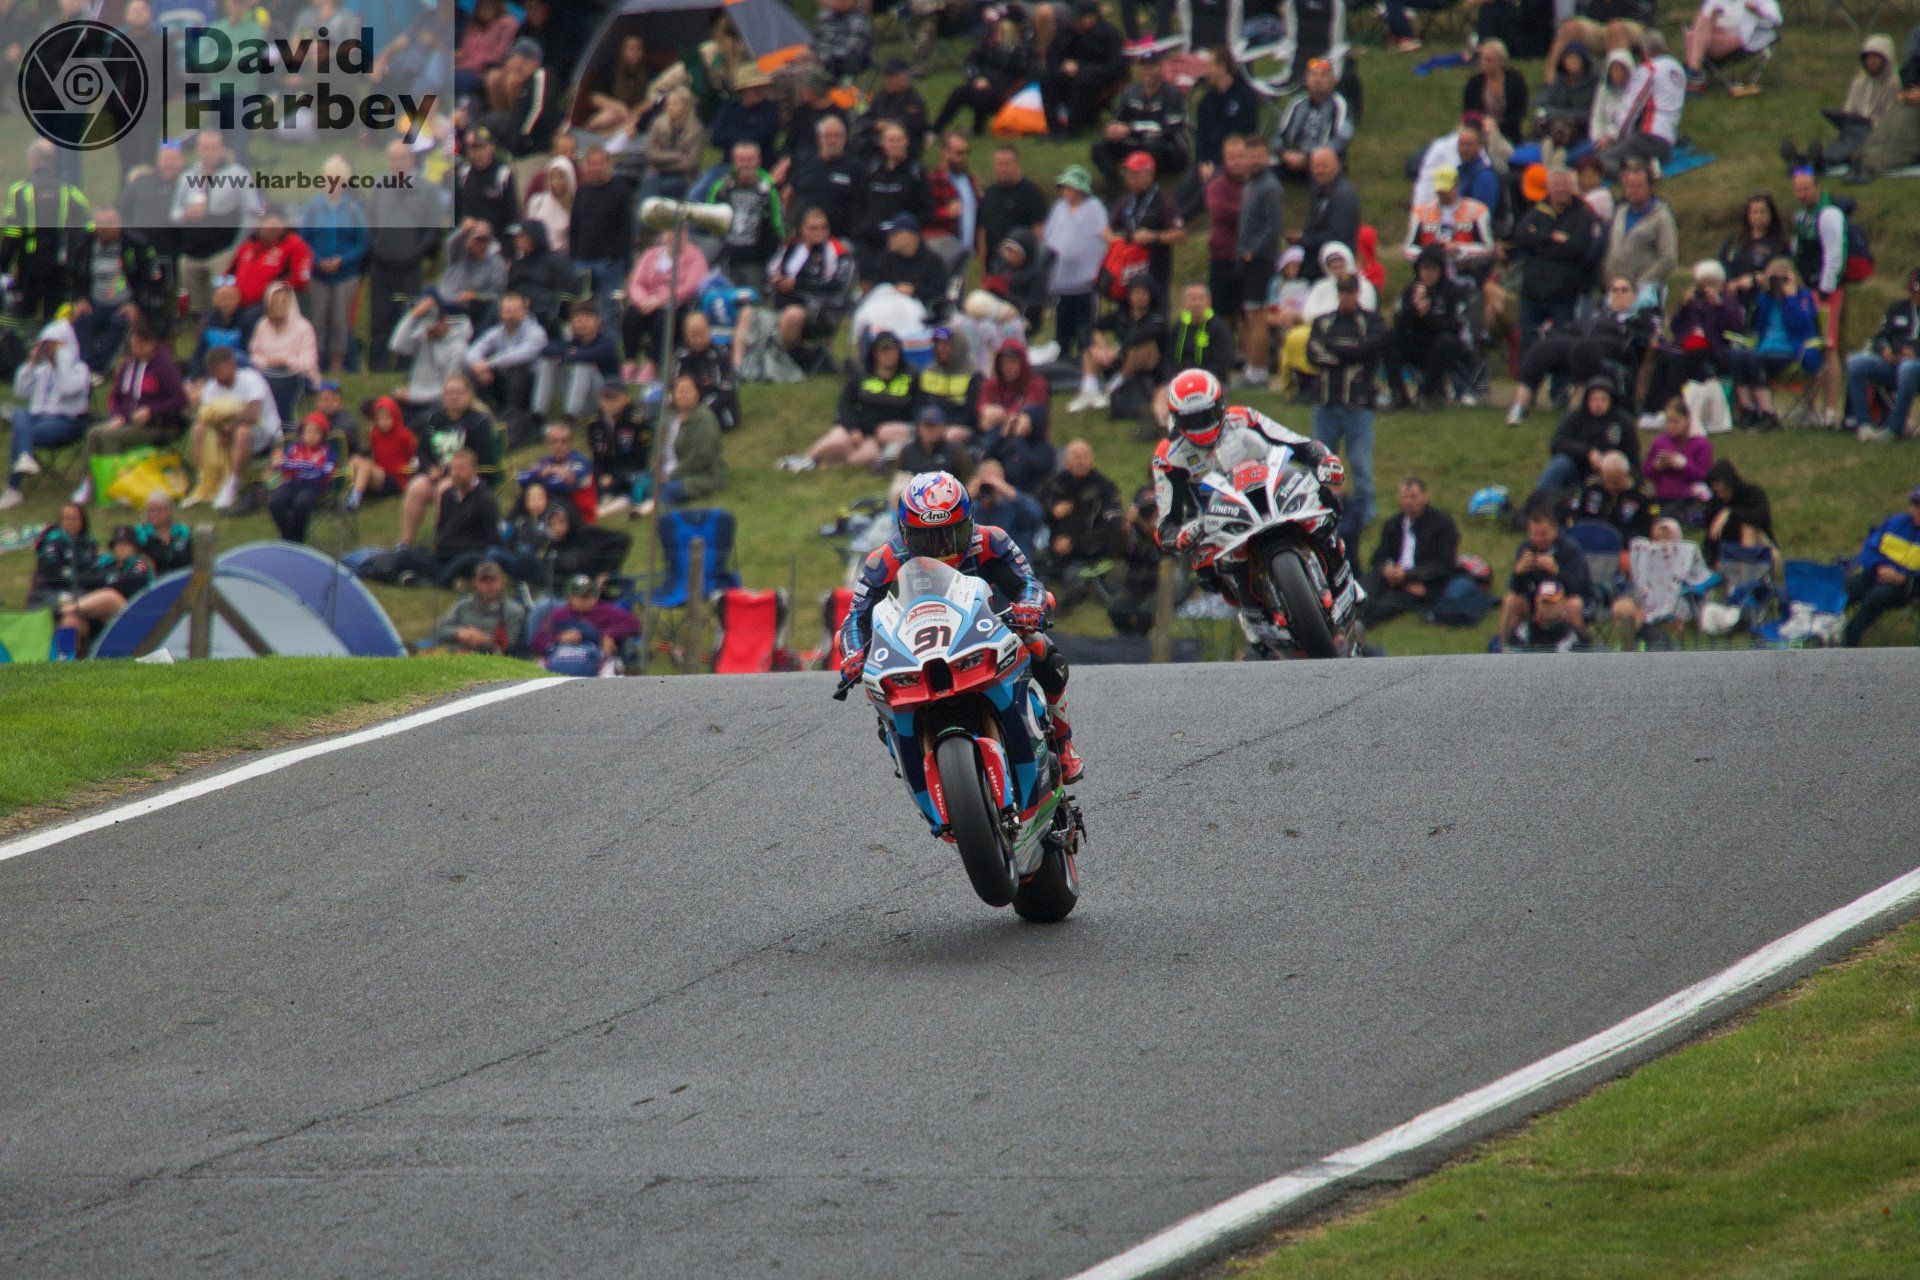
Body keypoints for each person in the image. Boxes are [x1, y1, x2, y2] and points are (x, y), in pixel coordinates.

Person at [840, 470, 1084, 783]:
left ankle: (1063, 744)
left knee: (1044, 652)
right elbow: (854, 619)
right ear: (904, 530)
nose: (940, 549)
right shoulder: (883, 560)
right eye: (926, 538)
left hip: (985, 631)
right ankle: (917, 769)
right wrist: (852, 655)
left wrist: (1029, 608)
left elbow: (1028, 584)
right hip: (913, 648)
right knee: (882, 698)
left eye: (949, 535)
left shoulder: (990, 540)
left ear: (968, 523)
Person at [1152, 367, 1351, 654]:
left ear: (1220, 405)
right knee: (1206, 566)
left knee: (1322, 498)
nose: (1201, 426)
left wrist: (1325, 461)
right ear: (1177, 419)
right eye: (1191, 420)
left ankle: (1341, 575)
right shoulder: (1167, 457)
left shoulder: (1243, 417)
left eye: (1206, 416)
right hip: (1220, 521)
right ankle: (1256, 620)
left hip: (1272, 491)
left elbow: (1299, 443)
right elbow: (1165, 525)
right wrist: (1180, 536)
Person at [1507, 278, 1652, 423]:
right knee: (1543, 348)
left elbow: (1639, 343)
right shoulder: (1596, 315)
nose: (1618, 293)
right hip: (1579, 345)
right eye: (1614, 290)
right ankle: (1520, 406)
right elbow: (1571, 330)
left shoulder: (1637, 319)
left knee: (1584, 349)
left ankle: (1575, 412)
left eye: (1624, 290)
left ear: (1634, 296)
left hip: (1612, 351)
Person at [72, 323, 187, 505]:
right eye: (132, 345)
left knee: (110, 436)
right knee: (94, 433)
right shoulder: (128, 365)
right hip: (128, 420)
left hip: (159, 424)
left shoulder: (164, 366)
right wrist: (117, 415)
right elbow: (116, 397)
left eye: (139, 345)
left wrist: (152, 410)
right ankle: (89, 481)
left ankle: (117, 487)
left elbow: (180, 399)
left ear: (151, 344)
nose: (135, 350)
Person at [1307, 277, 1384, 525]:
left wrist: (1335, 351)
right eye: (1342, 291)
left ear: (1358, 293)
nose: (1346, 296)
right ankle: (1314, 509)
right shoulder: (1323, 321)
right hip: (1326, 402)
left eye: (1350, 292)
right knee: (1319, 462)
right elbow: (1313, 354)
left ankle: (1365, 516)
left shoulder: (1370, 321)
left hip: (1358, 404)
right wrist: (1350, 354)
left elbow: (1369, 351)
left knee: (1361, 464)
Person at [787, 331, 916, 473]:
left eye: (892, 350)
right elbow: (845, 403)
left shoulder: (910, 376)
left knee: (863, 458)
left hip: (883, 434)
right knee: (836, 441)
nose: (888, 354)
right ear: (875, 353)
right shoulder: (861, 375)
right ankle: (805, 459)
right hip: (856, 427)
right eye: (884, 350)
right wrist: (852, 428)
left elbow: (917, 406)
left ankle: (830, 466)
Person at [364, 143, 443, 374]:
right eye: (393, 158)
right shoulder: (379, 186)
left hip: (410, 266)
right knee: (380, 318)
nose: (397, 163)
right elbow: (370, 223)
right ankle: (377, 366)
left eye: (402, 158)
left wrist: (416, 252)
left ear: (411, 160)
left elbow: (432, 230)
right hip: (382, 265)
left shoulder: (428, 190)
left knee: (408, 316)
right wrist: (376, 246)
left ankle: (405, 365)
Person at [398, 374, 499, 548]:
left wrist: (447, 472)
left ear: (469, 394)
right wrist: (428, 468)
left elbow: (481, 457)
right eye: (450, 392)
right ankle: (406, 543)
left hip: (466, 476)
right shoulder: (435, 419)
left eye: (459, 392)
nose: (454, 396)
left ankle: (444, 541)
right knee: (416, 488)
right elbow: (422, 451)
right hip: (435, 472)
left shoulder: (479, 422)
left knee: (445, 490)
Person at [1780, 37, 1900, 182]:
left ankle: (1814, 161)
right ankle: (1804, 158)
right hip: (1854, 127)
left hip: (1875, 131)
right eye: (1869, 58)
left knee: (1850, 146)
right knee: (1842, 142)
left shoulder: (1893, 84)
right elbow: (1849, 108)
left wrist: (1869, 123)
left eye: (1876, 59)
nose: (1872, 62)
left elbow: (1891, 117)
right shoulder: (1859, 82)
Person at [1511, 166, 1603, 351]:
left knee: (1563, 345)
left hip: (1563, 295)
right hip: (1532, 293)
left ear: (1572, 187)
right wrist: (1553, 238)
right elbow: (1521, 237)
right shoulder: (1537, 211)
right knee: (1527, 344)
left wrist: (1539, 242)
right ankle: (1525, 380)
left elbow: (1578, 248)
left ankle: (1560, 381)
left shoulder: (1583, 216)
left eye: (1565, 185)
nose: (1560, 189)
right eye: (1556, 185)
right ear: (1548, 188)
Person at [0, 142, 92, 327]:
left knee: (22, 316)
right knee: (55, 318)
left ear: (33, 160)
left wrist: (3, 266)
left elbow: (12, 233)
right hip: (60, 264)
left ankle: (23, 351)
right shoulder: (71, 192)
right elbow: (87, 230)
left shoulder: (20, 191)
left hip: (29, 264)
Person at [2, 321, 91, 511]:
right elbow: (21, 391)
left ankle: (13, 488)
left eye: (51, 347)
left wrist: (62, 360)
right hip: (37, 419)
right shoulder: (42, 371)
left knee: (20, 431)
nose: (48, 351)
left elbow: (68, 389)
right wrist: (32, 362)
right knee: (18, 414)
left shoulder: (80, 370)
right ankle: (25, 457)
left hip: (67, 423)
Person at [69, 208, 168, 375]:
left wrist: (135, 304)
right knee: (81, 320)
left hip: (125, 303)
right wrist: (80, 299)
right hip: (95, 302)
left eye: (110, 223)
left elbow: (150, 279)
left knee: (119, 323)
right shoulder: (84, 244)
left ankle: (99, 369)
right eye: (100, 224)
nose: (105, 228)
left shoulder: (136, 244)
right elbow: (74, 277)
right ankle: (84, 367)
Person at [1725, 258, 1819, 428]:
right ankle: (1748, 410)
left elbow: (1800, 325)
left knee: (1755, 359)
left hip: (1793, 351)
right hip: (1765, 348)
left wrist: (1790, 298)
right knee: (1737, 356)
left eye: (1784, 279)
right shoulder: (1767, 299)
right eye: (1775, 279)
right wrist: (1765, 294)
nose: (1779, 284)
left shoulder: (1803, 297)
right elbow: (1755, 325)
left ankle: (1768, 413)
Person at [185, 344, 280, 512]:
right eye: (213, 372)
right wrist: (222, 431)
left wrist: (230, 428)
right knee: (199, 429)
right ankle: (204, 479)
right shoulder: (211, 388)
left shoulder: (252, 380)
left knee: (242, 431)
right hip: (225, 434)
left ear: (232, 366)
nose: (216, 377)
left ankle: (233, 484)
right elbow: (207, 416)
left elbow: (253, 414)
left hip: (263, 434)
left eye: (219, 371)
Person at [388, 448, 502, 586]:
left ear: (474, 470)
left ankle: (430, 582)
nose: (456, 473)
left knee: (464, 561)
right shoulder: (448, 495)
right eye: (453, 469)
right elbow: (441, 528)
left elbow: (492, 540)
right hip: (444, 555)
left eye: (461, 469)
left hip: (470, 556)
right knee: (408, 556)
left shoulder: (484, 499)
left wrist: (457, 545)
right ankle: (382, 573)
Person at [1645, 260, 1747, 415]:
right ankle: (1652, 409)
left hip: (1712, 349)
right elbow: (1675, 327)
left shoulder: (1728, 301)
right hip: (1686, 346)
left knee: (1678, 361)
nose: (1706, 288)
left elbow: (1735, 329)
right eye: (1703, 284)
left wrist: (1719, 306)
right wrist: (1684, 306)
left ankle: (1671, 410)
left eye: (1711, 283)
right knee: (1665, 358)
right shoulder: (1694, 301)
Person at [1790, 165, 1851, 419]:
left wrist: (1824, 290)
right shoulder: (1802, 216)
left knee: (1828, 346)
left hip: (1826, 290)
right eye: (1798, 190)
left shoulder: (1828, 214)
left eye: (1806, 189)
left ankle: (1830, 408)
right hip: (1806, 289)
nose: (1802, 194)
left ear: (1817, 187)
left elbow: (1834, 256)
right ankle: (1809, 404)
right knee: (1809, 343)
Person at [298, 158, 369, 375]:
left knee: (341, 321)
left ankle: (338, 363)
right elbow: (305, 239)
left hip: (345, 274)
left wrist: (343, 260)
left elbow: (362, 242)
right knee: (317, 319)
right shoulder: (313, 207)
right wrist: (318, 260)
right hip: (319, 274)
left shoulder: (353, 209)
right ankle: (316, 361)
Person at [1498, 500, 1595, 650]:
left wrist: (1555, 571)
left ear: (1554, 530)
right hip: (1536, 600)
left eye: (1543, 534)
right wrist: (1519, 572)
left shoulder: (1570, 550)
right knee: (1511, 600)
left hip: (1564, 599)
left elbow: (1578, 588)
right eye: (1534, 534)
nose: (1538, 539)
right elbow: (1515, 588)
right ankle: (1505, 648)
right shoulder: (1526, 549)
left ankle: (1578, 648)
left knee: (1573, 605)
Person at [1037, 439, 1124, 606]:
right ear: (1067, 461)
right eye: (1077, 457)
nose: (1081, 461)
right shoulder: (1056, 484)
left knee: (1073, 579)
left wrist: (1074, 543)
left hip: (1089, 551)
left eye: (1085, 456)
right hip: (1054, 547)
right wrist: (1052, 509)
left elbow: (1112, 526)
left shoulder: (1104, 487)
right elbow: (1036, 504)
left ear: (1092, 459)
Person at [1363, 477, 1460, 626]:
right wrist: (1386, 569)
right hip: (1393, 575)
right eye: (1404, 497)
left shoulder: (1442, 524)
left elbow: (1444, 564)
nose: (1408, 501)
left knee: (1385, 606)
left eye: (1413, 497)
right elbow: (1377, 557)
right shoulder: (1394, 524)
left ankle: (1363, 622)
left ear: (1425, 497)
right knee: (1362, 590)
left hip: (1420, 581)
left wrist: (1409, 575)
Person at [1385, 245, 1470, 410]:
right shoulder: (1410, 290)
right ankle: (1399, 394)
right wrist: (1414, 308)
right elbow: (1399, 324)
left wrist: (1428, 315)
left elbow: (1456, 327)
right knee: (1388, 338)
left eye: (1433, 269)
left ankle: (1426, 394)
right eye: (1424, 269)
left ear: (1441, 270)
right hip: (1416, 344)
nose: (1428, 274)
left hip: (1443, 347)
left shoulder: (1453, 292)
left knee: (1446, 342)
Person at [1092, 50, 1189, 193]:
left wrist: (1131, 128)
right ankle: (1116, 188)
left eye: (1152, 67)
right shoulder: (1130, 92)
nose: (1147, 71)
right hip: (1137, 143)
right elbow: (1119, 119)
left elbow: (1169, 130)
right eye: (1144, 67)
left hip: (1168, 150)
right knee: (1099, 147)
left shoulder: (1172, 94)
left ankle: (1148, 188)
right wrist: (1113, 128)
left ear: (1160, 68)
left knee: (1151, 144)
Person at [1071, 278, 1166, 418]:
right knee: (1094, 336)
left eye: (1143, 293)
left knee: (1143, 345)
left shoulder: (1157, 318)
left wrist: (1117, 350)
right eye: (1135, 293)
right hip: (1118, 359)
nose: (1139, 297)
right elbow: (1086, 329)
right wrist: (1095, 350)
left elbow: (1143, 335)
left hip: (1148, 367)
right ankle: (1089, 389)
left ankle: (1114, 386)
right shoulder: (1121, 315)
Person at [1534, 376, 1638, 500]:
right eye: (1594, 399)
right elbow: (1557, 443)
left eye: (1603, 400)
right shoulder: (1576, 417)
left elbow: (1633, 458)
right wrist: (1588, 452)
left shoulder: (1623, 422)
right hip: (1577, 472)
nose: (1598, 404)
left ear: (1611, 400)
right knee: (1561, 463)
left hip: (1610, 478)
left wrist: (1611, 462)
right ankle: (1538, 503)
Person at [1847, 267, 1920, 441]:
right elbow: (1880, 337)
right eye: (1914, 291)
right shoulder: (1898, 308)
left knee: (1908, 368)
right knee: (1856, 362)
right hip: (1892, 363)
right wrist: (1884, 350)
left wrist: (1916, 352)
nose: (1916, 296)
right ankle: (1863, 424)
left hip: (1914, 368)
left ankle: (1894, 428)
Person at [1842, 486, 1920, 647]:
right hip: (1875, 575)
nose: (1917, 510)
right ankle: (1826, 637)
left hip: (1907, 587)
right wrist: (1878, 567)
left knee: (1875, 598)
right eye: (1916, 505)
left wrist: (1904, 577)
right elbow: (1869, 549)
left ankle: (1848, 643)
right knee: (1842, 590)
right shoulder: (1895, 523)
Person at [1599, 31, 1687, 174]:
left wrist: (1617, 138)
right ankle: (1648, 164)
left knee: (1602, 159)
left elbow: (1631, 109)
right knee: (1630, 154)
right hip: (1669, 140)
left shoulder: (1648, 69)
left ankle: (1641, 173)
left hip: (1650, 135)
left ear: (1644, 50)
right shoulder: (1677, 67)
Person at [933, 15, 1036, 137]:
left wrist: (994, 85)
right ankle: (935, 130)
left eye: (1000, 31)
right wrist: (976, 78)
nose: (996, 34)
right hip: (981, 85)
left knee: (983, 95)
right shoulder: (987, 45)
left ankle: (977, 130)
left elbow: (1022, 77)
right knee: (959, 92)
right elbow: (971, 62)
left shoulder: (1022, 52)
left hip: (1005, 95)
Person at [703, 141, 785, 293]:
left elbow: (777, 221)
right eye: (741, 160)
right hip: (726, 257)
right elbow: (709, 217)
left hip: (755, 260)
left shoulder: (768, 189)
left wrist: (779, 247)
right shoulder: (721, 187)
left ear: (758, 160)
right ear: (734, 161)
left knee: (752, 300)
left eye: (750, 160)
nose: (746, 164)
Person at [1043, 166, 1107, 358]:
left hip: (1086, 284)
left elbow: (1103, 235)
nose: (1066, 192)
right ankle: (1062, 358)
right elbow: (1050, 236)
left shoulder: (1094, 207)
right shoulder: (1059, 208)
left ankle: (1085, 361)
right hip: (1062, 284)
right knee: (1063, 327)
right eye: (1064, 188)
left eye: (1070, 187)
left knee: (1085, 328)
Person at [569, 147, 635, 328]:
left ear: (608, 165)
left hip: (610, 264)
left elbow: (627, 230)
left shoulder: (621, 191)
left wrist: (615, 257)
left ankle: (608, 351)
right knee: (580, 309)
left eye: (600, 163)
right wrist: (574, 255)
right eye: (591, 164)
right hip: (582, 261)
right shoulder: (582, 191)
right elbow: (574, 225)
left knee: (608, 312)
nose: (595, 168)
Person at [976, 341, 1055, 492]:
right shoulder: (990, 385)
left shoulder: (1036, 383)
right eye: (1004, 362)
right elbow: (983, 416)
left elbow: (1031, 415)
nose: (1008, 367)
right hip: (997, 441)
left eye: (1013, 361)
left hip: (1031, 442)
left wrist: (1003, 416)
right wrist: (1009, 419)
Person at [1105, 152, 1186, 300]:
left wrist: (1154, 237)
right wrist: (1115, 241)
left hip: (1155, 271)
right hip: (1128, 272)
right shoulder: (1126, 199)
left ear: (1149, 174)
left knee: (1157, 317)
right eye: (1128, 173)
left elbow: (1180, 235)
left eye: (1135, 174)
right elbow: (1107, 228)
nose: (1130, 178)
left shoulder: (1163, 201)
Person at [853, 125, 930, 277]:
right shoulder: (871, 170)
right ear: (882, 143)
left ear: (906, 142)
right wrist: (863, 227)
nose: (895, 144)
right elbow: (858, 203)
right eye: (890, 140)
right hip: (871, 240)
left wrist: (908, 232)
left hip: (901, 244)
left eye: (899, 140)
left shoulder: (915, 172)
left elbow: (925, 208)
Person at [1044, 0, 1126, 138]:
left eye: (1080, 19)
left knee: (1082, 81)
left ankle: (1072, 130)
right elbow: (1052, 57)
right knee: (1047, 78)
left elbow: (1115, 66)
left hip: (1096, 77)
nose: (1076, 23)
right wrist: (1062, 66)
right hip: (1067, 74)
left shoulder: (1109, 34)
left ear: (1092, 17)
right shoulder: (1066, 31)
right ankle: (1053, 128)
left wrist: (1081, 68)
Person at [390, 293, 475, 422]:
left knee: (423, 420)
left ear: (444, 320)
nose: (429, 331)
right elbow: (396, 345)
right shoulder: (424, 336)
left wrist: (414, 396)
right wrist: (412, 316)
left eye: (432, 327)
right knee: (376, 407)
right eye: (426, 327)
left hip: (436, 401)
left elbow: (449, 390)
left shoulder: (458, 348)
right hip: (414, 396)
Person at [1604, 161, 1678, 309]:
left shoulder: (1661, 216)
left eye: (1638, 186)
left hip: (1645, 291)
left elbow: (1668, 258)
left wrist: (1642, 283)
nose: (1633, 190)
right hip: (1616, 288)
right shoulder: (1620, 212)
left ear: (1650, 188)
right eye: (1629, 186)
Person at [1273, 58, 1354, 187]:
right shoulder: (1297, 103)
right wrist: (1284, 153)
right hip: (1292, 158)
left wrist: (1309, 157)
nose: (1317, 80)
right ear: (1306, 79)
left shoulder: (1340, 104)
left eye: (1323, 76)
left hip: (1320, 160)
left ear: (1332, 80)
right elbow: (1279, 134)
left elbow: (1342, 139)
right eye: (1313, 75)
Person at [465, 292, 548, 415]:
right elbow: (473, 351)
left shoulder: (536, 332)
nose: (511, 315)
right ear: (500, 313)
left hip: (529, 384)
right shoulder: (497, 331)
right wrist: (479, 366)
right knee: (476, 372)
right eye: (507, 311)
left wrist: (489, 363)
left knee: (518, 370)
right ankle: (481, 414)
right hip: (503, 380)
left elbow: (523, 354)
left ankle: (512, 416)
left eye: (516, 310)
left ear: (525, 311)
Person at [533, 574, 641, 669]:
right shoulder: (558, 615)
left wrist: (608, 635)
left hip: (597, 661)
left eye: (592, 595)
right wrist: (560, 638)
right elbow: (538, 641)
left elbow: (634, 623)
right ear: (570, 597)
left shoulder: (605, 610)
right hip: (562, 660)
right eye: (584, 597)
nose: (590, 600)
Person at [266, 413, 339, 544]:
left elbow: (324, 472)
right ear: (302, 433)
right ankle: (289, 537)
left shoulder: (328, 452)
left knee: (301, 504)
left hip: (314, 486)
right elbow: (283, 466)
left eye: (316, 432)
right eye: (308, 431)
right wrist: (280, 463)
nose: (311, 435)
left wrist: (298, 466)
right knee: (275, 502)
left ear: (323, 436)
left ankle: (297, 540)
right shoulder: (294, 448)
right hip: (292, 483)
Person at [584, 381, 654, 515]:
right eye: (605, 398)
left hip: (631, 470)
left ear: (626, 399)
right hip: (605, 471)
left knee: (633, 482)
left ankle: (616, 500)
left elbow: (640, 459)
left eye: (614, 398)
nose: (609, 403)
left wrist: (614, 477)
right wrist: (602, 474)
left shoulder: (637, 422)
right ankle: (605, 497)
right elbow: (597, 457)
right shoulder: (594, 424)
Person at [429, 559, 527, 654]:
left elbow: (511, 645)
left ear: (502, 581)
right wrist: (459, 633)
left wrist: (482, 639)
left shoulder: (514, 610)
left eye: (493, 580)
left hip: (493, 661)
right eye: (484, 581)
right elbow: (439, 631)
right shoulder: (462, 605)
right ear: (475, 583)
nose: (489, 585)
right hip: (458, 656)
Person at [541, 303, 620, 420]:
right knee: (547, 364)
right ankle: (538, 415)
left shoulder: (606, 343)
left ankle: (570, 417)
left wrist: (567, 356)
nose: (582, 324)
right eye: (578, 320)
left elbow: (589, 355)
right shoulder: (573, 342)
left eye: (587, 320)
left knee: (583, 367)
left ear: (598, 321)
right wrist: (569, 354)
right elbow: (546, 349)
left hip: (603, 398)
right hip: (577, 394)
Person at [657, 372, 726, 505]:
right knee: (646, 485)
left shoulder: (704, 418)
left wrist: (672, 474)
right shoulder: (672, 418)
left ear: (697, 393)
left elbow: (702, 456)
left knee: (668, 489)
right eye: (679, 390)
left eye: (687, 390)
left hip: (702, 475)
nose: (682, 394)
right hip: (670, 470)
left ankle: (653, 514)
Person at [787, 117, 861, 241]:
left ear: (844, 138)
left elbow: (863, 205)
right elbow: (789, 195)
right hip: (804, 239)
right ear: (818, 138)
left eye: (837, 136)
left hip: (841, 239)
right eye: (827, 136)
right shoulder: (805, 163)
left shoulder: (855, 168)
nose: (832, 140)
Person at [1718, 191, 1790, 316]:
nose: (1758, 216)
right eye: (1754, 212)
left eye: (1762, 211)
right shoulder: (1735, 239)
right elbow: (1720, 263)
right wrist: (1729, 282)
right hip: (1732, 302)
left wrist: (1755, 279)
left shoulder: (1779, 243)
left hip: (1763, 303)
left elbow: (1783, 272)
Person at [1683, 0, 1781, 93]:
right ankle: (1693, 75)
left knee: (1693, 36)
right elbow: (1705, 22)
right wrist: (1714, 19)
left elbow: (1776, 20)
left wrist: (1757, 11)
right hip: (1713, 37)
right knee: (1696, 28)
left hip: (1740, 39)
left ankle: (1692, 74)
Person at [976, 147, 1049, 266]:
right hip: (993, 266)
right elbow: (982, 230)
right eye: (999, 164)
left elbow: (1039, 231)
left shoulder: (1031, 192)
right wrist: (983, 265)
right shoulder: (990, 192)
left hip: (1020, 268)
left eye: (1007, 164)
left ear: (1017, 165)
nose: (1002, 169)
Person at [1297, 149, 1361, 283]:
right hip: (1315, 265)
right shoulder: (1319, 190)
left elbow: (1338, 235)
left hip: (1335, 267)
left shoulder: (1344, 195)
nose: (1318, 171)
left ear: (1337, 165)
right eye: (1315, 166)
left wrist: (1304, 240)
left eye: (1324, 166)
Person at [923, 133, 981, 280]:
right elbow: (922, 212)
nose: (963, 158)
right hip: (942, 246)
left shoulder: (970, 181)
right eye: (958, 153)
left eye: (966, 152)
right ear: (944, 152)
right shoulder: (932, 180)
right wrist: (945, 213)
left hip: (966, 252)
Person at [1563, 449, 1653, 541]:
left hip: (1623, 545)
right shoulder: (1591, 488)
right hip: (1588, 541)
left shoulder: (1641, 496)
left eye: (1615, 480)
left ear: (1625, 474)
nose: (1610, 484)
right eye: (1606, 478)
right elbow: (1574, 514)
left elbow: (1647, 527)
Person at [347, 395, 418, 510]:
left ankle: (354, 499)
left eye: (387, 418)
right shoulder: (374, 434)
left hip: (396, 479)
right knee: (355, 459)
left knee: (366, 466)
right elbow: (375, 456)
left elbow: (414, 458)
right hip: (380, 474)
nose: (383, 422)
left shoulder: (404, 435)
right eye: (380, 418)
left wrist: (408, 474)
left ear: (394, 416)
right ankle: (349, 491)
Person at [1643, 397, 1714, 508]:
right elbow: (1647, 471)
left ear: (1687, 420)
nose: (1671, 426)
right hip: (1660, 500)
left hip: (1689, 502)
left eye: (1676, 421)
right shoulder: (1659, 441)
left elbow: (1704, 475)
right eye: (1668, 421)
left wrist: (1682, 464)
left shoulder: (1701, 443)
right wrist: (1657, 465)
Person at [640, 87, 708, 202]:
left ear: (686, 107)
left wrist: (662, 162)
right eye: (668, 104)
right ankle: (646, 217)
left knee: (653, 187)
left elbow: (691, 163)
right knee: (650, 182)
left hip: (683, 177)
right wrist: (676, 156)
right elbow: (650, 153)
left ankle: (647, 217)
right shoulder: (658, 124)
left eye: (675, 104)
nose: (670, 107)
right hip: (657, 173)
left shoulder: (696, 129)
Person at [1702, 458, 1773, 567]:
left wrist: (1730, 513)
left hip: (1760, 550)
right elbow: (1711, 537)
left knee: (1748, 528)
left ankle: (1748, 575)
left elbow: (1763, 518)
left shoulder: (1752, 493)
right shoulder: (1714, 505)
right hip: (1728, 555)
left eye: (1724, 490)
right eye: (1717, 492)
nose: (1721, 495)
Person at [1464, 40, 1529, 143]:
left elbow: (1520, 111)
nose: (1484, 63)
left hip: (1509, 133)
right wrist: (1482, 122)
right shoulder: (1474, 83)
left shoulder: (1515, 81)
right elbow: (1468, 112)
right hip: (1480, 132)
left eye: (1489, 60)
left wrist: (1497, 125)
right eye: (1483, 59)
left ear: (1501, 61)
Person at [899, 404, 974, 480]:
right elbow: (899, 481)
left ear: (943, 427)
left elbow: (969, 481)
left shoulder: (956, 451)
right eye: (926, 426)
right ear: (918, 427)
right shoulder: (907, 451)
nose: (930, 430)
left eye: (934, 426)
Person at [811, 0, 873, 81]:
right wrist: (811, 53)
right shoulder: (827, 17)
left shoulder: (858, 21)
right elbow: (817, 41)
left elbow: (850, 52)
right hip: (817, 62)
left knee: (802, 76)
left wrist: (821, 58)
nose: (841, 2)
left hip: (838, 69)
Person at [136, 494, 194, 575]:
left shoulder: (182, 531)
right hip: (155, 581)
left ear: (170, 511)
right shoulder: (140, 533)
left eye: (160, 510)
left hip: (183, 578)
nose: (155, 513)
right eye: (152, 510)